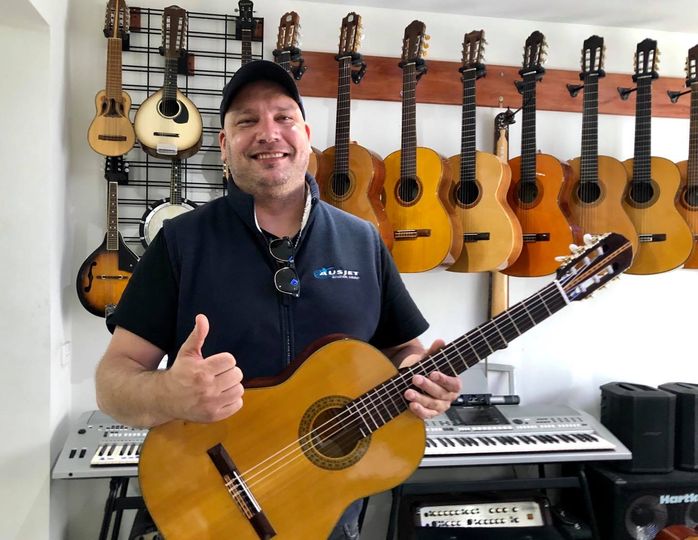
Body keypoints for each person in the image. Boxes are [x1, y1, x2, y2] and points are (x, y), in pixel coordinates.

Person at [95, 59, 462, 540]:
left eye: (283, 117)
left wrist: (423, 381)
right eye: (247, 121)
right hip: (206, 507)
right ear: (225, 146)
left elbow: (403, 351)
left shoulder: (363, 240)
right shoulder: (180, 243)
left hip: (328, 515)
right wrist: (168, 393)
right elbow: (111, 381)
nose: (269, 133)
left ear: (306, 134)